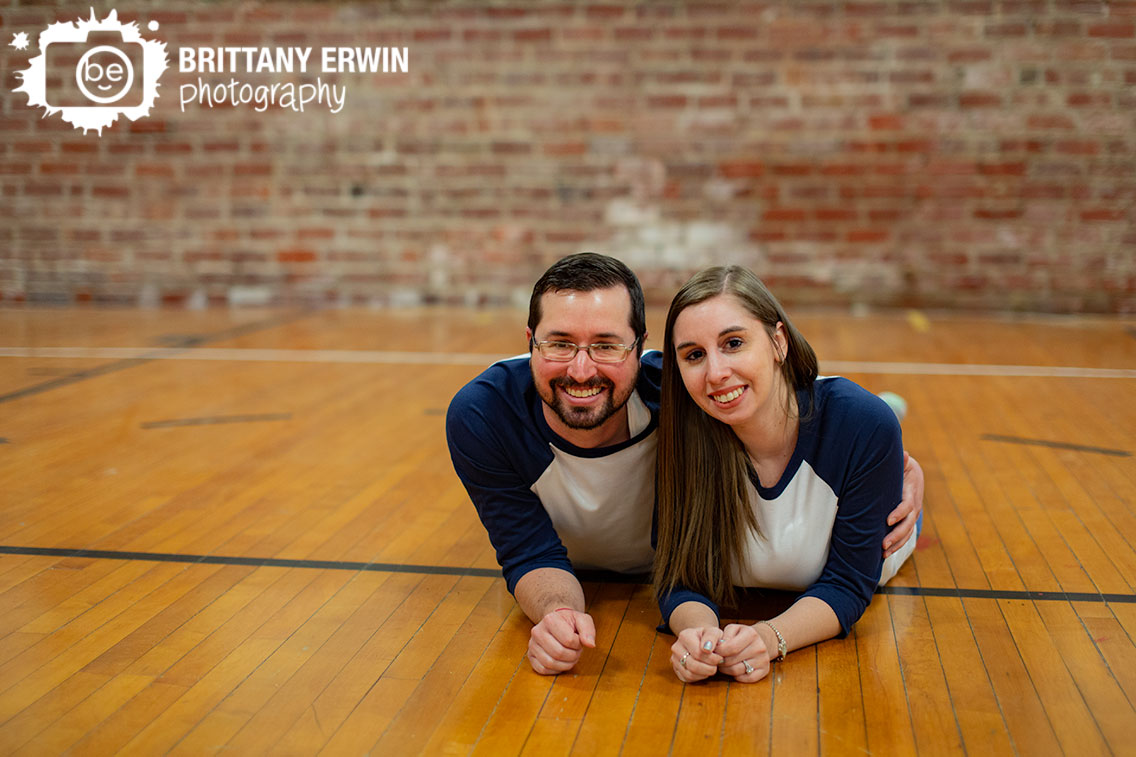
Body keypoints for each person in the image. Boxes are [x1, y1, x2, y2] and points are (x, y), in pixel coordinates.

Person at [446, 253, 924, 675]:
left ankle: (893, 410)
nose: (582, 369)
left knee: (865, 418)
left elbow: (793, 396)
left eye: (607, 345)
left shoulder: (684, 399)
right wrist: (691, 631)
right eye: (560, 343)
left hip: (839, 512)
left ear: (639, 350)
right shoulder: (687, 417)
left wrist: (896, 456)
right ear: (530, 340)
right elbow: (669, 573)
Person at [654, 265, 920, 684]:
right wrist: (697, 633)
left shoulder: (864, 424)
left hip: (867, 499)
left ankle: (893, 419)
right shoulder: (678, 433)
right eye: (694, 355)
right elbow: (678, 579)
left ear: (778, 341)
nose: (716, 372)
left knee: (877, 418)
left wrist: (768, 637)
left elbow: (848, 585)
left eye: (734, 343)